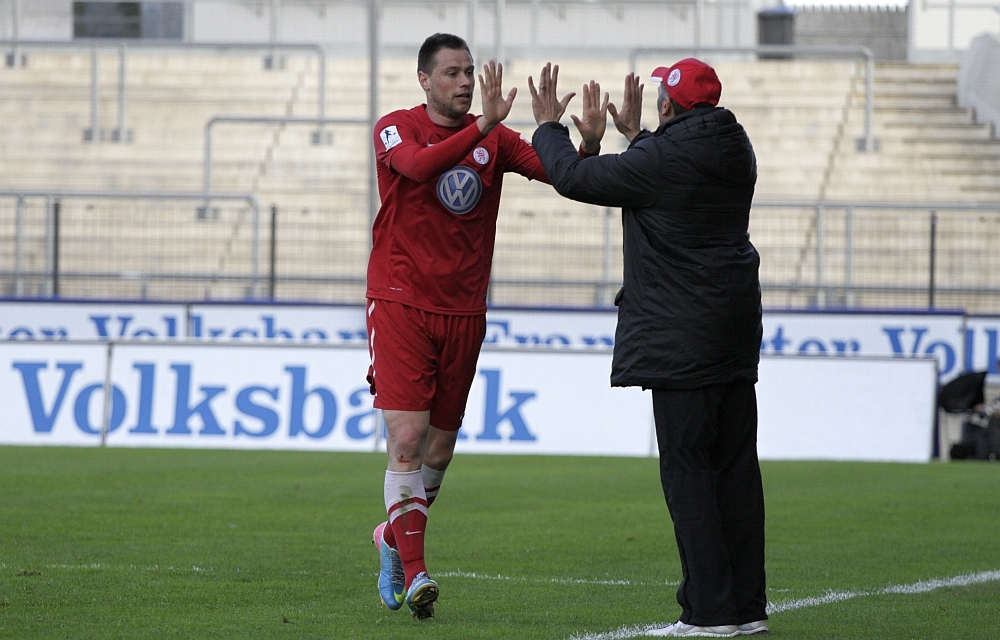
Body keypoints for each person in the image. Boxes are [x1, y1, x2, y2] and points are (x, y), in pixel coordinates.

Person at [528, 59, 768, 637]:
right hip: (732, 330)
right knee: (736, 471)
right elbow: (665, 176)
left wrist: (549, 128)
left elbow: (575, 179)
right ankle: (746, 607)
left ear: (667, 107)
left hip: (681, 337)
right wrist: (637, 137)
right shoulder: (736, 147)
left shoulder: (660, 159)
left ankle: (709, 612)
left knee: (689, 472)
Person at [365, 33, 589, 620]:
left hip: (464, 310)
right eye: (452, 73)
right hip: (400, 301)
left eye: (469, 72)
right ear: (424, 79)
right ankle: (417, 572)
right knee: (407, 439)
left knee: (439, 449)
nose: (465, 82)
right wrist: (484, 125)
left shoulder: (496, 138)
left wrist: (583, 143)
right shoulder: (396, 128)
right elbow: (419, 168)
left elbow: (563, 175)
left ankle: (393, 537)